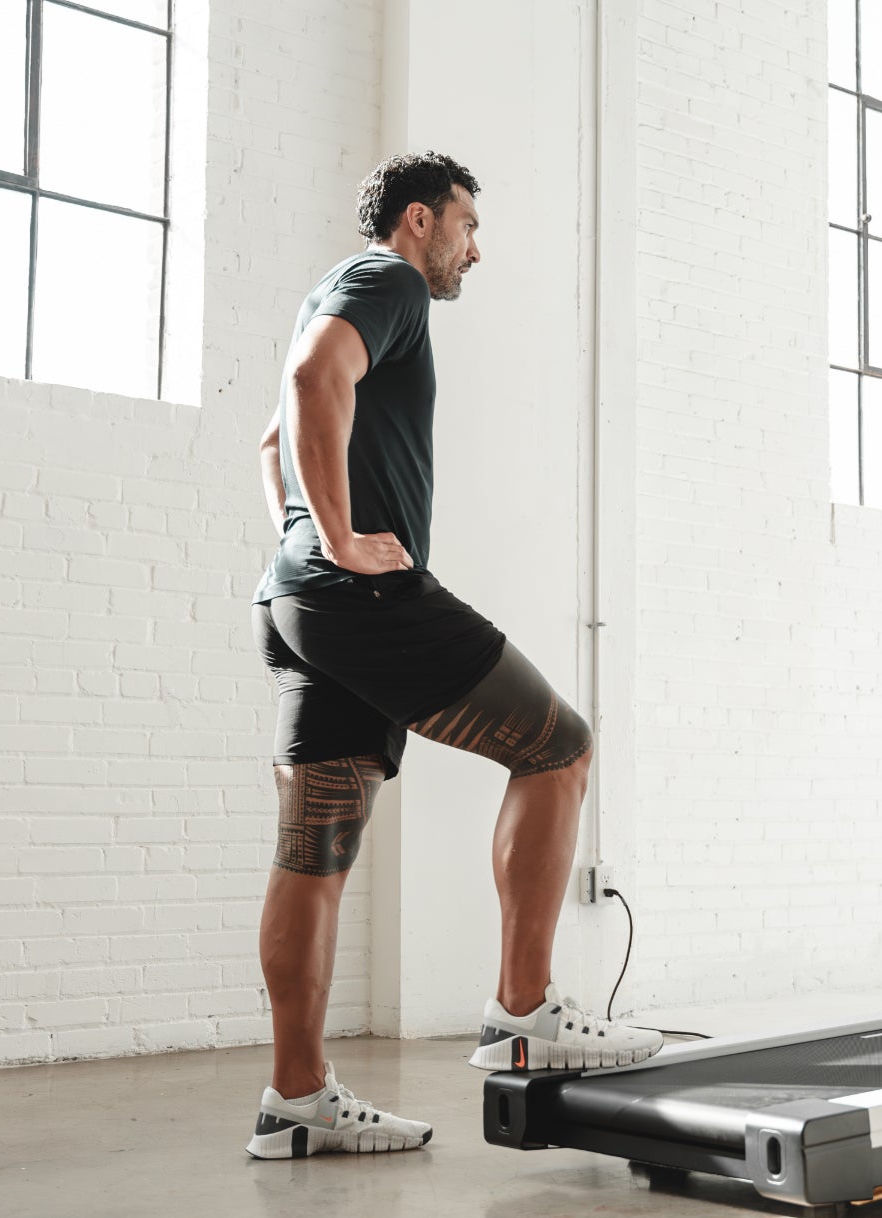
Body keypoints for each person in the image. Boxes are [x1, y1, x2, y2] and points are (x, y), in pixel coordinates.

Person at [243, 152, 661, 1160]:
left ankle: (296, 1097)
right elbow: (310, 382)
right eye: (468, 227)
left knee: (317, 850)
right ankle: (524, 1013)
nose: (476, 248)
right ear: (420, 220)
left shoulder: (340, 293)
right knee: (557, 748)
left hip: (302, 604)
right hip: (359, 596)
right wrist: (342, 541)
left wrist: (305, 540)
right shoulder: (384, 279)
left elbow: (270, 444)